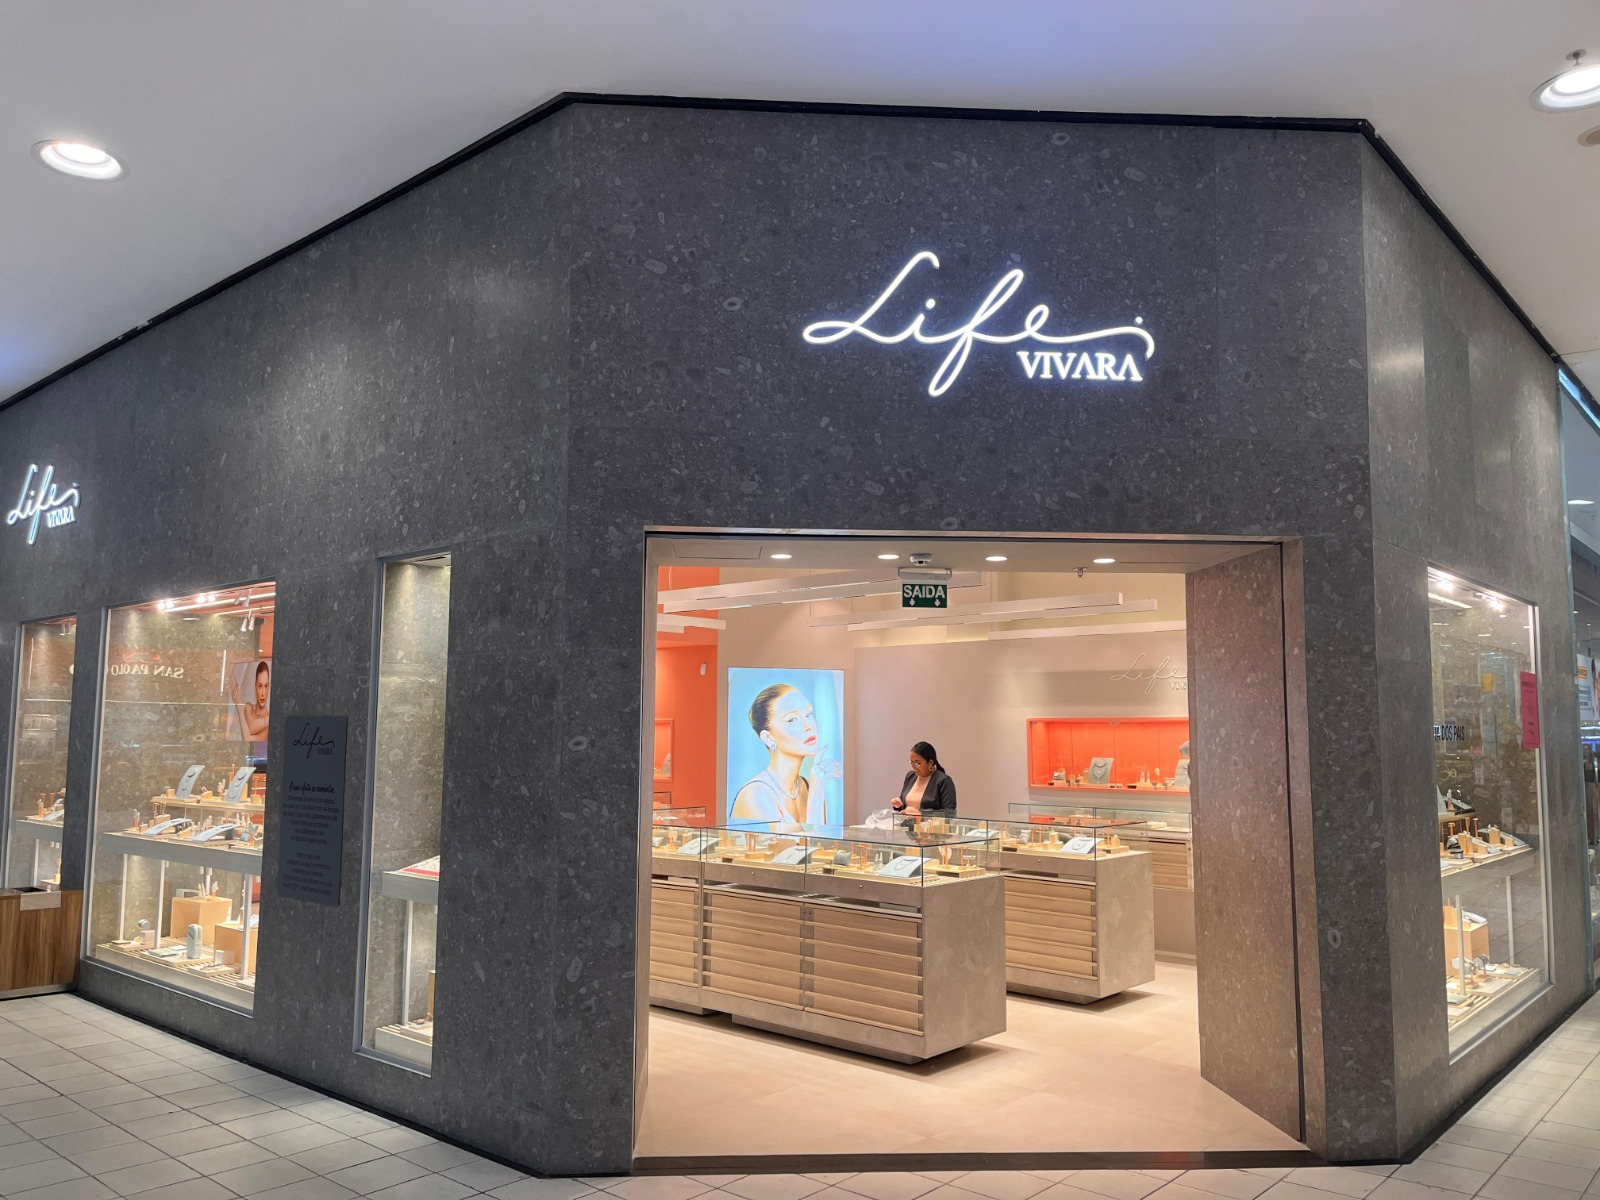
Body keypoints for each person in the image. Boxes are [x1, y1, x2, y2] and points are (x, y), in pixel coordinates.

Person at [730, 683, 841, 827]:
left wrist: (816, 792)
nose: (808, 726)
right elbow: (808, 840)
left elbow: (821, 841)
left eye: (808, 714)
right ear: (768, 738)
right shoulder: (756, 796)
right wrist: (815, 797)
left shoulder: (810, 786)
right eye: (792, 720)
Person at [891, 741, 956, 817]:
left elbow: (949, 813)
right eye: (911, 762)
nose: (913, 766)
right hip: (905, 823)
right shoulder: (910, 776)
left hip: (928, 824)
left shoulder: (943, 781)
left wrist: (921, 814)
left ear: (930, 762)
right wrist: (898, 805)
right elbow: (905, 807)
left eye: (917, 763)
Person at [231, 660, 271, 742]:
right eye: (260, 686)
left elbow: (248, 739)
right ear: (255, 686)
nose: (263, 693)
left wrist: (239, 705)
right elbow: (250, 728)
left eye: (266, 686)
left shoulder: (268, 726)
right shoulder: (248, 707)